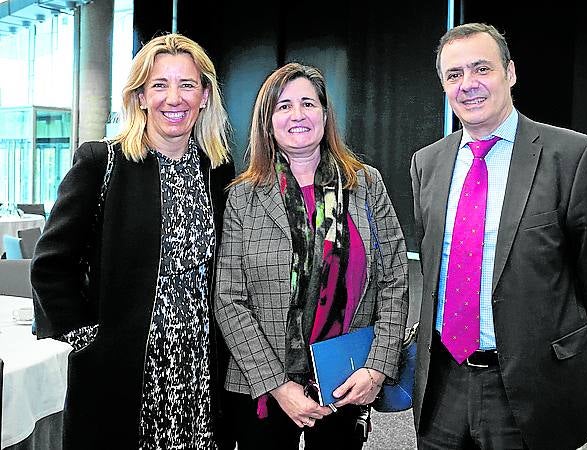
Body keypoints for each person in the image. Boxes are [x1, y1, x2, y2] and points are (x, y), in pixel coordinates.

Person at [410, 23, 587, 450]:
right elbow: (433, 269)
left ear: (510, 72)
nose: (468, 85)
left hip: (529, 384)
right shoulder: (426, 163)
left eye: (481, 68)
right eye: (454, 75)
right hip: (443, 383)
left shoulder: (573, 155)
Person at [31, 33, 235, 450]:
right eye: (159, 85)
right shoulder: (101, 162)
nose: (173, 98)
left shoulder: (219, 170)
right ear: (140, 96)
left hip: (198, 369)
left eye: (187, 84)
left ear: (205, 96)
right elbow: (51, 264)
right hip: (122, 371)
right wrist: (86, 340)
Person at [213, 62, 409, 450]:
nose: (297, 114)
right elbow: (228, 298)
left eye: (308, 103)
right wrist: (280, 386)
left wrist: (376, 368)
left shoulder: (366, 183)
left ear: (324, 114)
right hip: (262, 387)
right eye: (283, 106)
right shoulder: (243, 196)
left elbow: (395, 280)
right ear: (267, 122)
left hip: (345, 380)